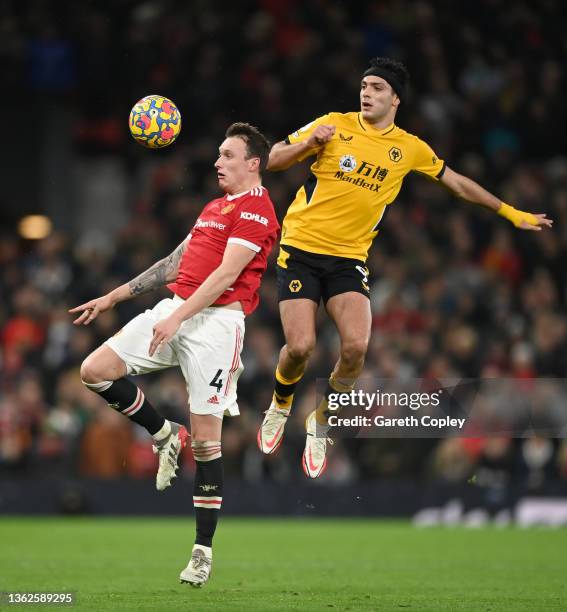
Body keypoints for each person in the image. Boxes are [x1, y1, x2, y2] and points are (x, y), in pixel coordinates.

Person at [257, 57, 553, 478]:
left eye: (377, 87)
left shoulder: (409, 148)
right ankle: (280, 403)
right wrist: (308, 145)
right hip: (301, 248)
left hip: (348, 258)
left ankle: (320, 421)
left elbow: (455, 181)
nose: (366, 92)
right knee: (301, 347)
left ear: (395, 98)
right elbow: (272, 159)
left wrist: (510, 212)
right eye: (363, 85)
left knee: (357, 349)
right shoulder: (334, 123)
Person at [71, 122, 279, 587]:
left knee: (207, 442)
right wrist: (114, 296)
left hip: (217, 325)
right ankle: (164, 433)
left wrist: (178, 318)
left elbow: (226, 276)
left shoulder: (258, 210)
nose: (217, 162)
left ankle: (202, 551)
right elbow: (174, 263)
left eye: (227, 155)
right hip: (177, 309)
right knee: (95, 370)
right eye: (218, 155)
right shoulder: (213, 207)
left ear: (253, 163)